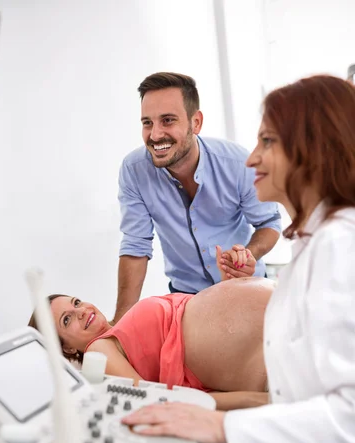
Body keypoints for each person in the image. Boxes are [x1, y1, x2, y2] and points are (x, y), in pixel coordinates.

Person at [122, 74, 355, 443]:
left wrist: (215, 422)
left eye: (268, 141)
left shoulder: (338, 247)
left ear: (315, 152)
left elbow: (345, 412)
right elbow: (134, 244)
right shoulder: (319, 243)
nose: (251, 158)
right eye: (146, 122)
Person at [113, 72, 282, 323]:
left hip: (248, 289)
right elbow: (135, 246)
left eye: (167, 120)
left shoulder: (237, 163)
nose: (155, 134)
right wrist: (120, 324)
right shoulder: (134, 170)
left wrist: (249, 254)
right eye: (147, 122)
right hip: (187, 302)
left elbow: (269, 223)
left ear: (196, 122)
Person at [29, 258, 275, 411]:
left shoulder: (121, 329)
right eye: (67, 319)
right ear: (67, 349)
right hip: (266, 343)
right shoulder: (98, 351)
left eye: (76, 302)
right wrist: (256, 401)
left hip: (271, 321)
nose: (81, 311)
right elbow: (158, 400)